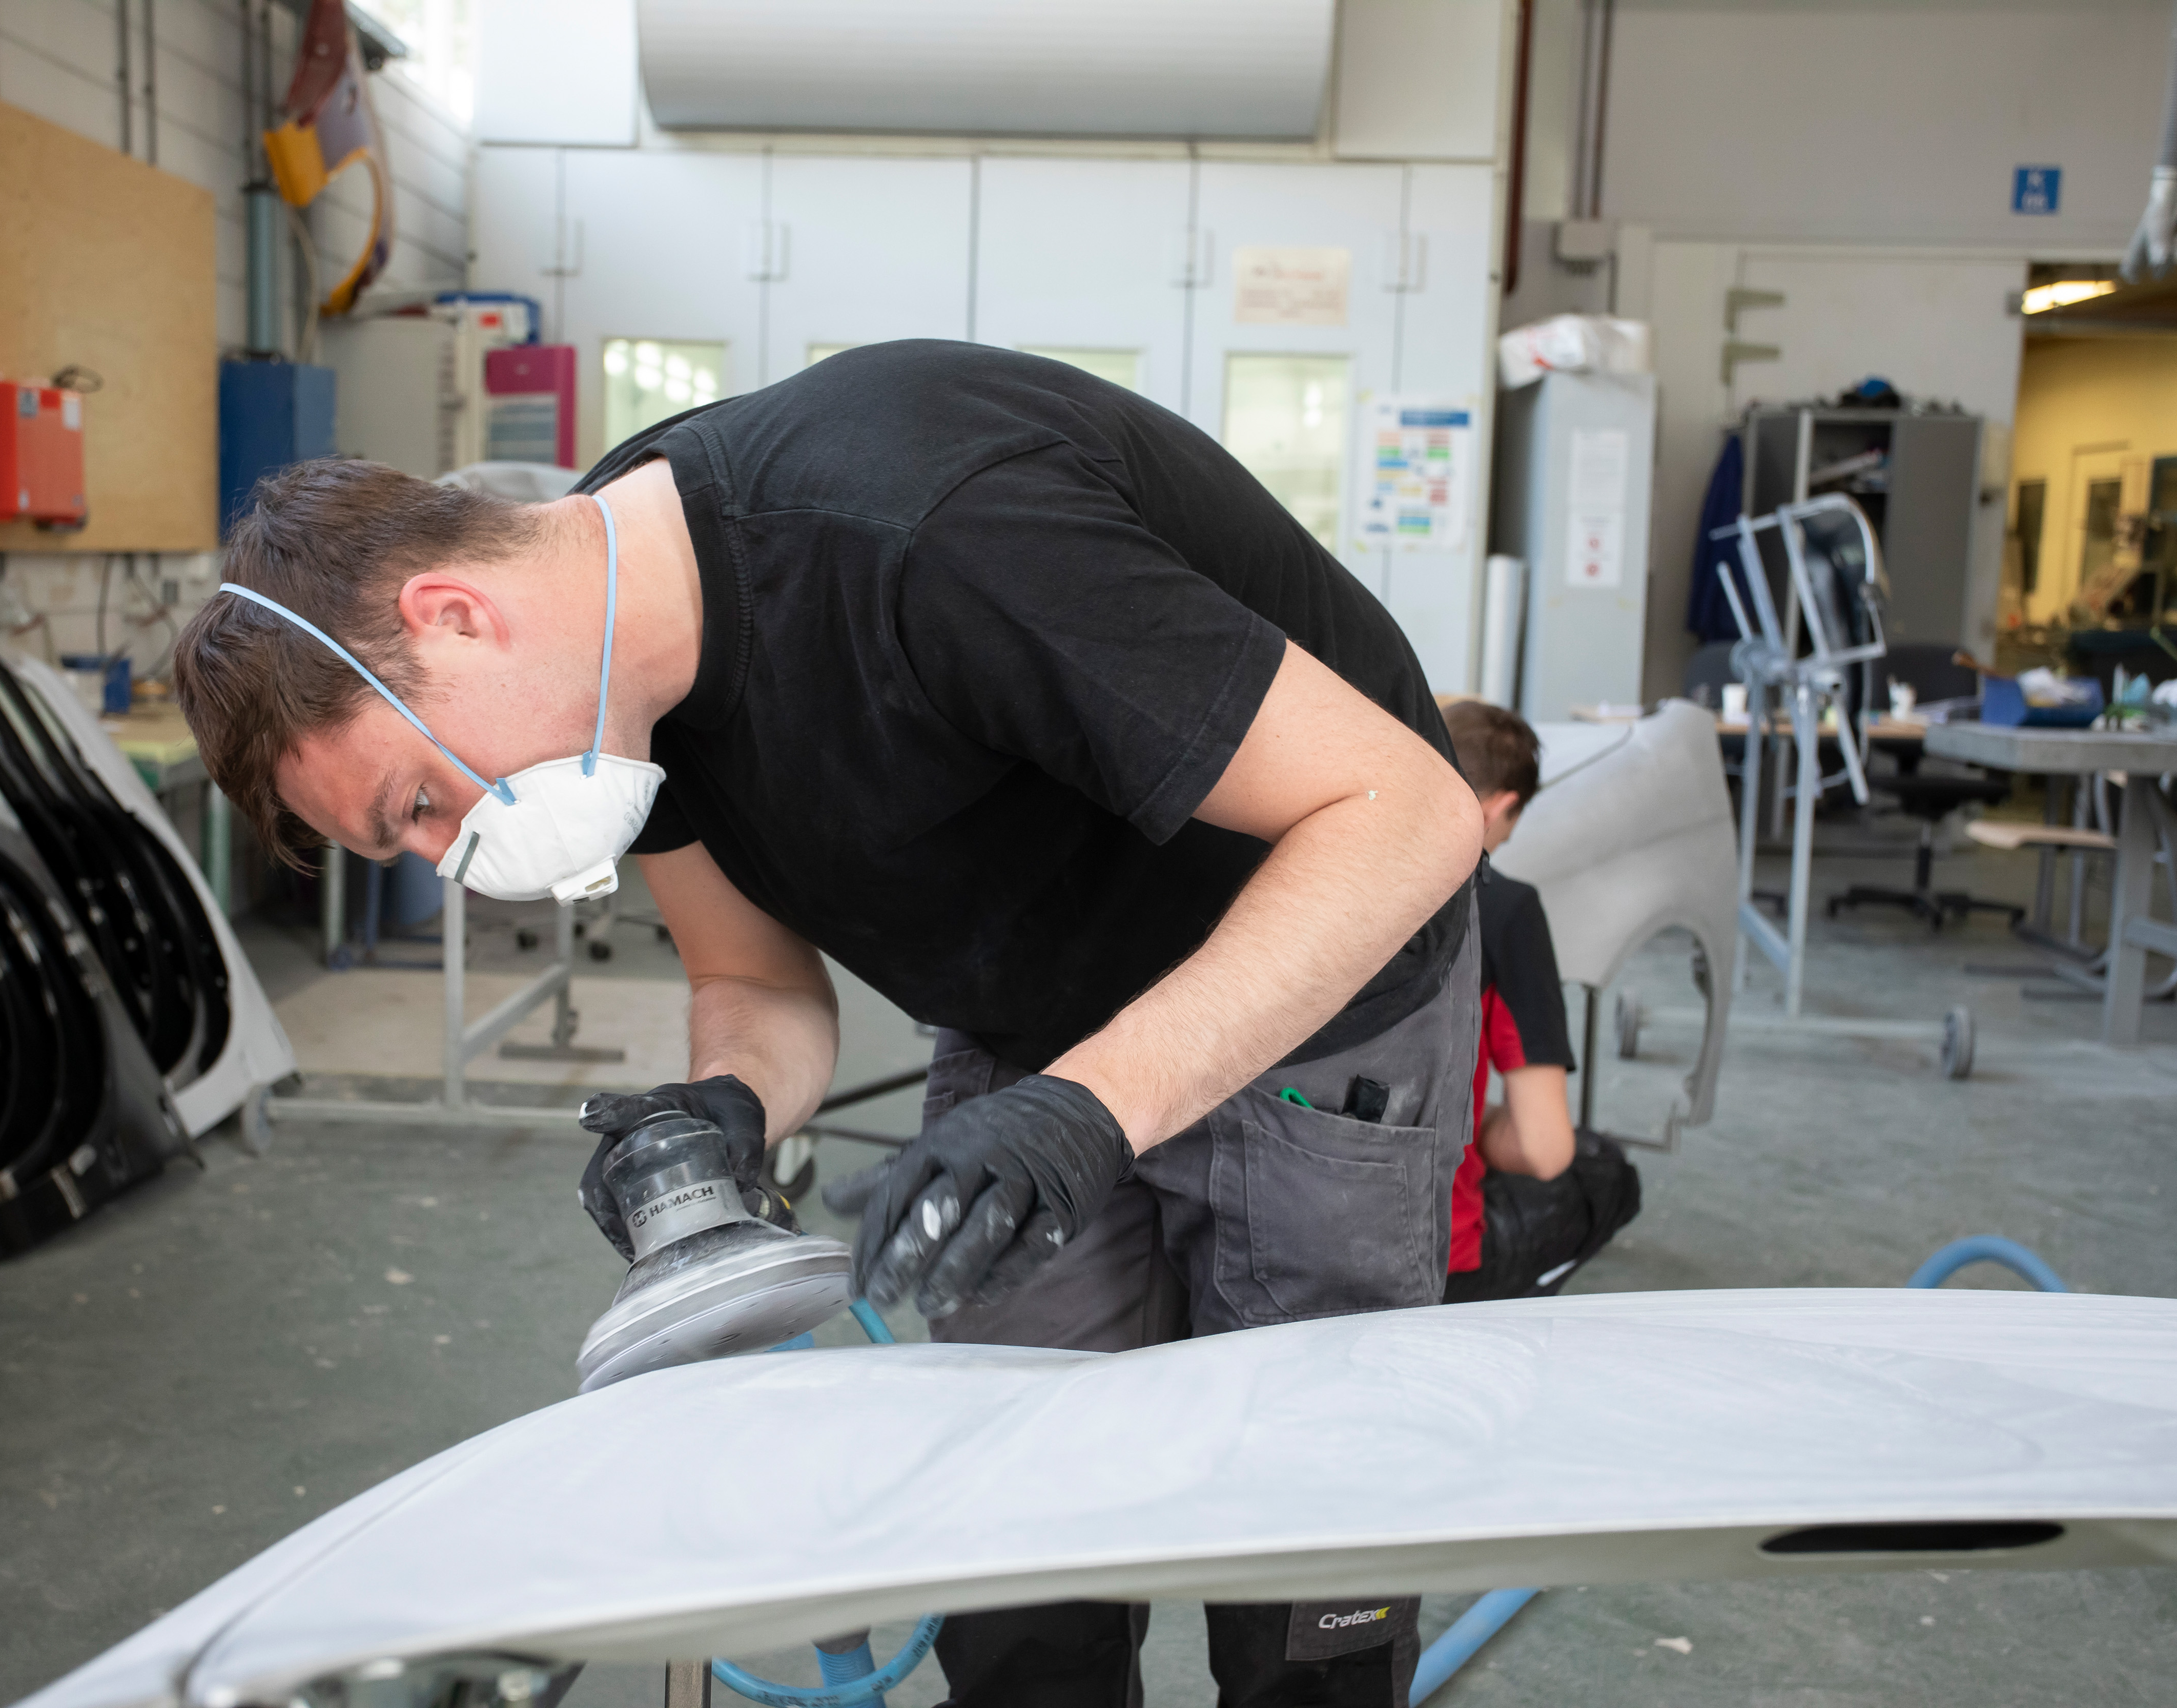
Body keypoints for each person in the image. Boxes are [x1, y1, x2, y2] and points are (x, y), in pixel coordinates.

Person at [174, 341, 1483, 1707]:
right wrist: (732, 1099)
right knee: (1017, 1574)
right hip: (1034, 1031)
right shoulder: (614, 683)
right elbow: (753, 983)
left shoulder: (933, 532)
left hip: (1313, 1007)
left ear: (452, 614)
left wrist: (1092, 1104)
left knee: (1305, 1572)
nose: (452, 853)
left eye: (416, 805)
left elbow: (1407, 814)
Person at [1437, 701, 1640, 1305]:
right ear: (1498, 808)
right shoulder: (1504, 911)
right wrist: (1477, 1125)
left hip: (1269, 1231)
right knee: (1604, 1174)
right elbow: (1542, 1149)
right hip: (1431, 1255)